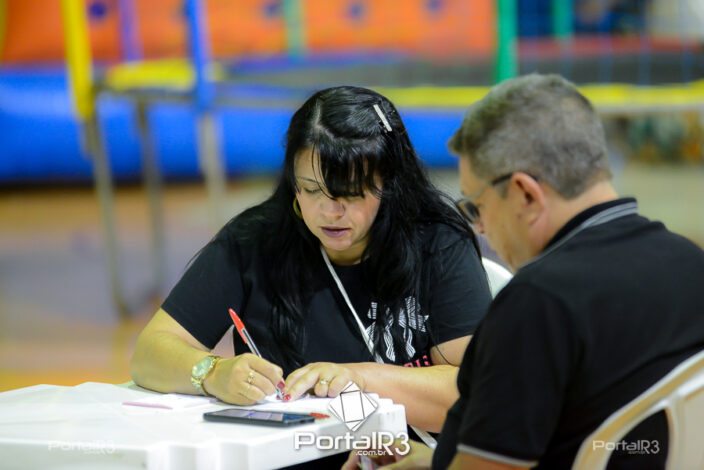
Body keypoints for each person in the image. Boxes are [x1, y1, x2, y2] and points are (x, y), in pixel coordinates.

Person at [344, 74, 704, 469]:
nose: (480, 227)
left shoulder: (539, 304)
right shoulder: (690, 262)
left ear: (525, 194)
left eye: (477, 206)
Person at [130, 85, 492, 433]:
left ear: (389, 184)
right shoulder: (255, 241)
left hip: (404, 456)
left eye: (350, 193)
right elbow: (149, 354)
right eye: (311, 189)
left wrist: (360, 379)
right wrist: (211, 373)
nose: (329, 212)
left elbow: (474, 392)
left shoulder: (437, 244)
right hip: (291, 454)